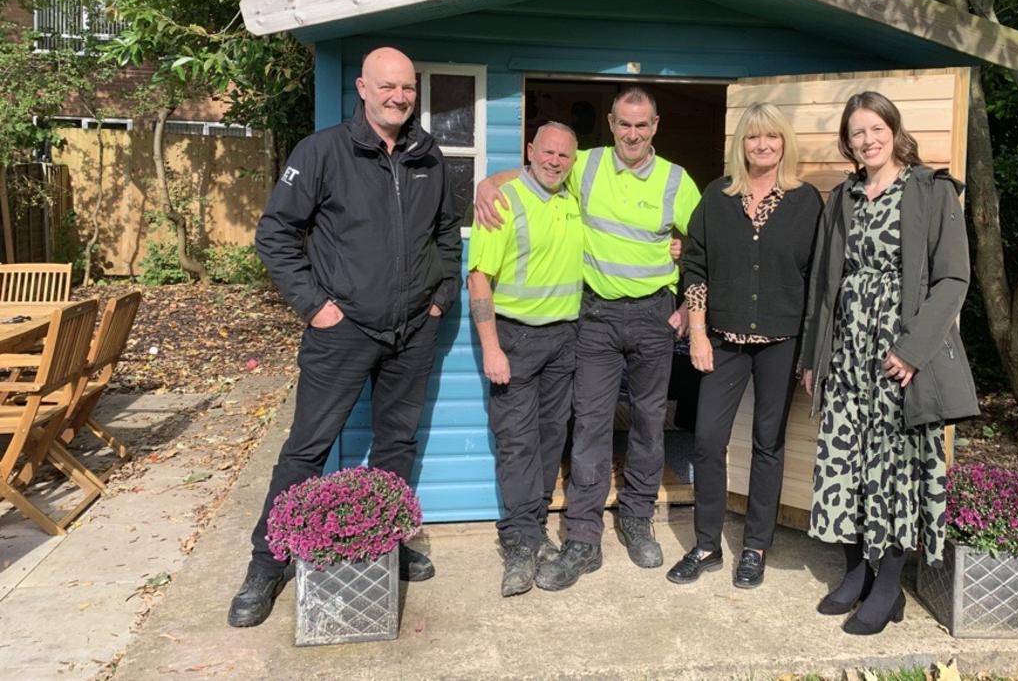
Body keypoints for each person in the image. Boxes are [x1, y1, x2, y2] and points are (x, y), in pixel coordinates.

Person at [227, 47, 462, 628]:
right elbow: (275, 234)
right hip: (343, 330)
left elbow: (448, 235)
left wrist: (439, 299)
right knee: (307, 447)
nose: (398, 97)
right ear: (363, 87)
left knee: (396, 444)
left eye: (407, 87)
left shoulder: (428, 157)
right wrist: (315, 307)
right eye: (388, 86)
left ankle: (386, 542)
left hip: (412, 329)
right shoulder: (322, 152)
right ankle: (268, 561)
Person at [474, 87, 701, 591]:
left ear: (656, 126)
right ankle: (583, 536)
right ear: (612, 123)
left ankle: (637, 518)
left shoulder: (676, 182)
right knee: (591, 427)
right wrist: (488, 182)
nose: (633, 134)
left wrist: (687, 306)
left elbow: (705, 246)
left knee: (647, 422)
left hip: (652, 318)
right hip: (595, 316)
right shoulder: (589, 165)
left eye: (642, 125)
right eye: (624, 124)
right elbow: (539, 172)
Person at [799, 90, 978, 635]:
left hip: (900, 355)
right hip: (846, 352)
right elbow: (823, 286)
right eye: (857, 133)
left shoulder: (930, 190)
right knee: (844, 464)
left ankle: (888, 585)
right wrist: (814, 356)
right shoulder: (843, 198)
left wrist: (912, 350)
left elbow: (953, 278)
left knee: (896, 470)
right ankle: (854, 572)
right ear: (848, 143)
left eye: (876, 128)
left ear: (894, 132)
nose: (868, 139)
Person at [670, 103, 822, 589]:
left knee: (769, 443)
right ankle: (707, 545)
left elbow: (817, 278)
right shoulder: (717, 197)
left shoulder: (806, 202)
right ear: (742, 144)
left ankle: (755, 546)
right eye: (754, 138)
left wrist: (812, 353)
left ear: (784, 143)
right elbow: (695, 266)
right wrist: (697, 331)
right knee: (707, 440)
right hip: (723, 339)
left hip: (782, 341)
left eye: (771, 137)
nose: (763, 146)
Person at [466, 122, 583, 597]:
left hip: (564, 339)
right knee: (516, 443)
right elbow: (478, 280)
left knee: (551, 439)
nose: (555, 162)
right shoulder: (503, 202)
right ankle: (518, 544)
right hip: (513, 340)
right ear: (531, 151)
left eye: (565, 156)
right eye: (548, 153)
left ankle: (533, 532)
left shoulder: (573, 197)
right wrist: (491, 348)